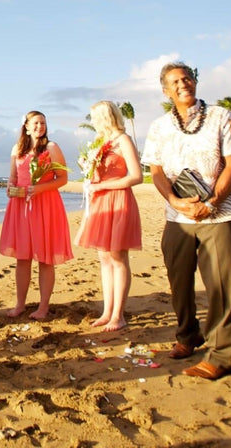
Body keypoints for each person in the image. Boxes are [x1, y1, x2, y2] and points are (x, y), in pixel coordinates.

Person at [142, 61, 231, 380]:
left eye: (187, 78)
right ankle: (187, 336)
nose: (182, 84)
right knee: (179, 279)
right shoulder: (159, 126)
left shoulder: (221, 116)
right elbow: (157, 171)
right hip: (177, 216)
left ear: (195, 82)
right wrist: (175, 200)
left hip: (219, 214)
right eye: (175, 81)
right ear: (165, 90)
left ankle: (221, 354)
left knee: (220, 283)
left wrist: (212, 201)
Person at [73, 100, 143, 332]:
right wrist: (87, 167)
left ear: (105, 117)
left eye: (95, 117)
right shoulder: (99, 142)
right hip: (100, 201)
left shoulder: (123, 140)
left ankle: (118, 315)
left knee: (118, 257)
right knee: (104, 258)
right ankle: (107, 311)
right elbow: (95, 175)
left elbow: (136, 176)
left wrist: (106, 186)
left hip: (118, 199)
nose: (92, 122)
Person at [0, 110, 73, 320]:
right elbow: (13, 177)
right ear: (26, 126)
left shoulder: (51, 147)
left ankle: (43, 306)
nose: (40, 127)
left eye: (43, 123)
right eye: (37, 123)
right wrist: (11, 188)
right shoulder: (17, 149)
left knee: (45, 258)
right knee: (23, 257)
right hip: (21, 206)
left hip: (45, 204)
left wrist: (39, 189)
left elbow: (63, 178)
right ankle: (20, 304)